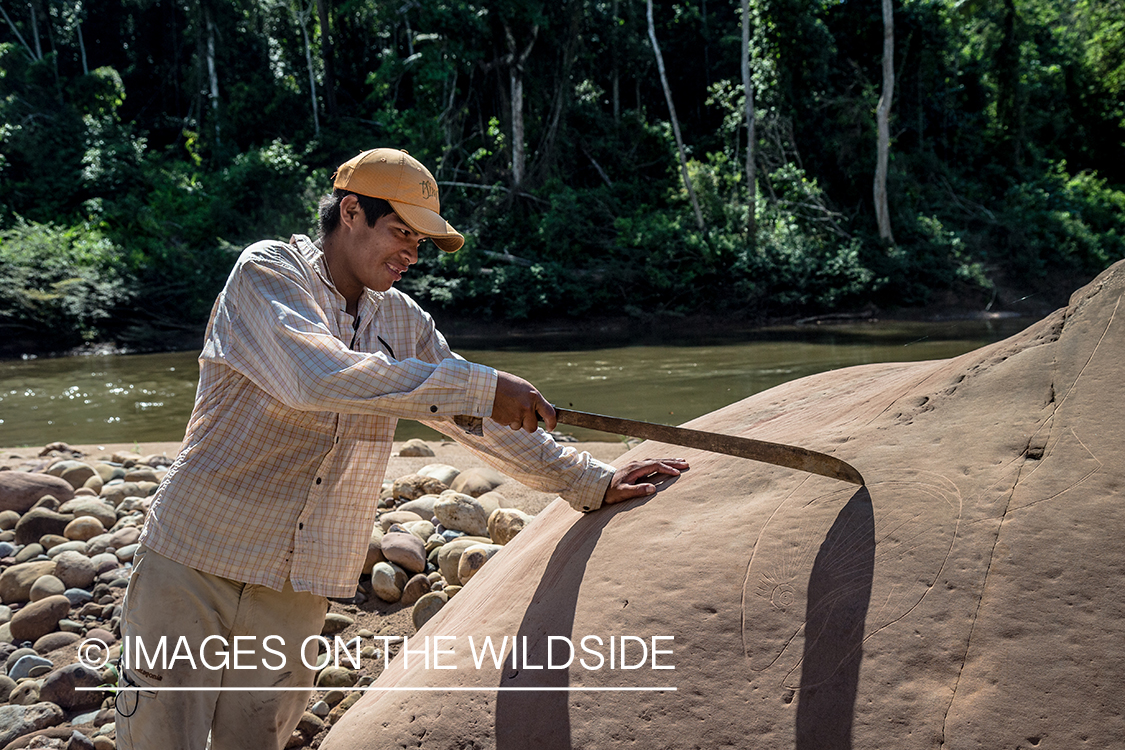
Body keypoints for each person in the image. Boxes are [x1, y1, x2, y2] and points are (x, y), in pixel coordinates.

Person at [115, 148, 688, 750]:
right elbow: (317, 377)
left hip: (296, 582)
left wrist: (588, 481)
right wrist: (482, 387)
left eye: (421, 242)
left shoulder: (404, 323)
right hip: (195, 559)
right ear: (352, 211)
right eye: (402, 233)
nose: (413, 255)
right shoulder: (269, 274)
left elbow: (477, 421)